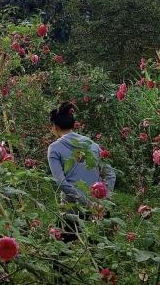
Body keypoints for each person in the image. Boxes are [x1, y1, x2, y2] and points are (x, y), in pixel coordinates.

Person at [47, 101, 116, 241]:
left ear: (54, 127)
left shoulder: (54, 148)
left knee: (62, 255)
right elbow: (110, 174)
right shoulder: (91, 144)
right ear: (73, 125)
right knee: (98, 255)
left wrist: (88, 204)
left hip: (71, 210)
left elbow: (61, 182)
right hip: (98, 209)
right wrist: (102, 202)